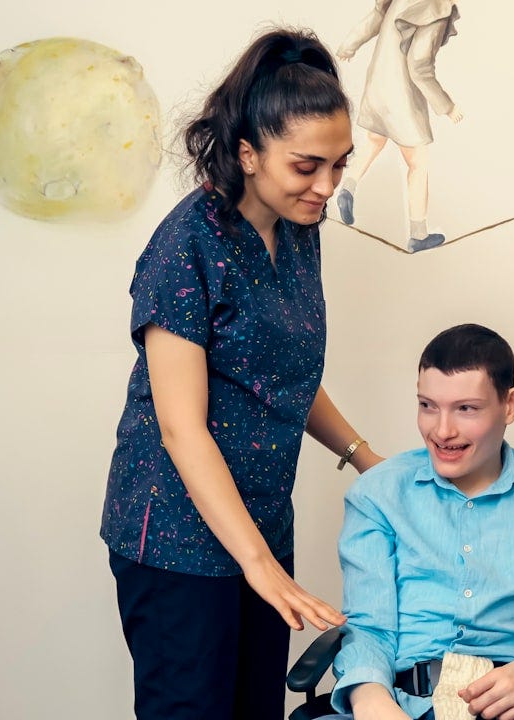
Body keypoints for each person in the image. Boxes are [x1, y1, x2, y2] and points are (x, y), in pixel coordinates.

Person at [99, 28, 383, 720]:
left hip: (259, 525)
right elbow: (180, 426)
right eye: (307, 166)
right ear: (248, 153)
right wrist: (259, 566)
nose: (326, 187)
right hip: (174, 540)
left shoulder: (298, 234)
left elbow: (282, 374)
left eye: (339, 166)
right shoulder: (185, 246)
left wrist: (368, 460)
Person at [321, 324, 514, 720]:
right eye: (428, 405)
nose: (442, 431)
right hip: (405, 702)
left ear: (510, 405)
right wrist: (370, 700)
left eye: (466, 408)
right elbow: (368, 626)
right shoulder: (377, 493)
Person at [335, 0, 464, 253]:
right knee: (418, 163)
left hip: (379, 84)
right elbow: (419, 67)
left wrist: (348, 45)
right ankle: (418, 234)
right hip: (402, 97)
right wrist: (447, 106)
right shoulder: (436, 8)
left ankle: (347, 187)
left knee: (374, 140)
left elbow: (375, 18)